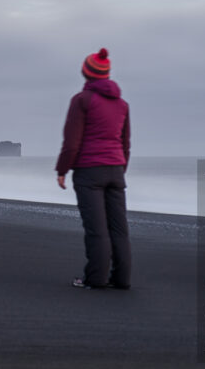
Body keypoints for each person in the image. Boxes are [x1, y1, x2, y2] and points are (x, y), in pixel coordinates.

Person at [55, 48, 131, 290]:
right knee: (119, 228)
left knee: (96, 228)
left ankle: (95, 279)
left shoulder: (82, 100)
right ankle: (121, 279)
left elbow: (72, 141)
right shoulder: (122, 104)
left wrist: (62, 169)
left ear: (86, 73)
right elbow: (125, 142)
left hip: (89, 171)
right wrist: (121, 167)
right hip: (116, 169)